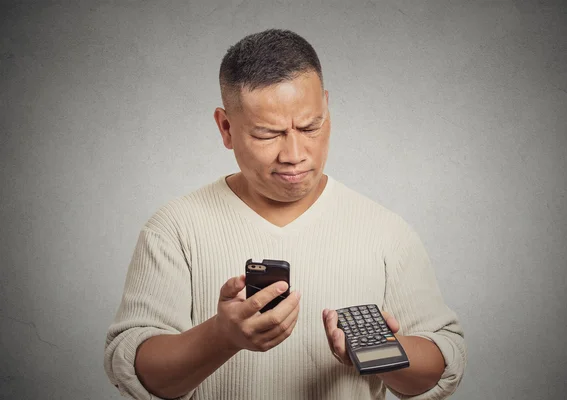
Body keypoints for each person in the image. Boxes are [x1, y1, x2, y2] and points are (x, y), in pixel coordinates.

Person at [104, 28, 466, 400]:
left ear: (327, 107)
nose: (294, 154)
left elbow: (442, 364)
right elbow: (135, 372)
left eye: (311, 126)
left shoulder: (386, 231)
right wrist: (220, 338)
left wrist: (384, 354)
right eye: (266, 134)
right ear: (226, 128)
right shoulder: (174, 228)